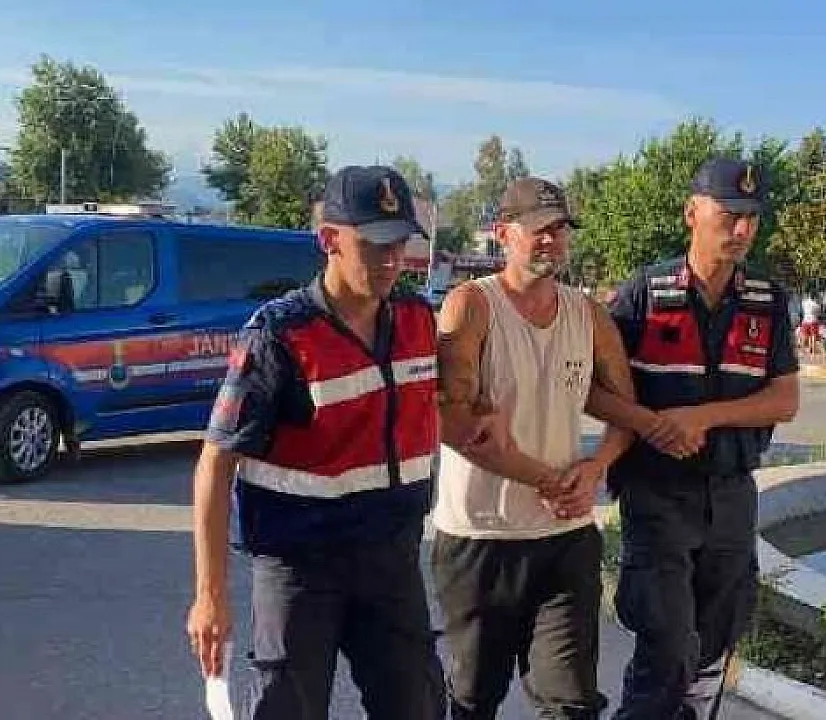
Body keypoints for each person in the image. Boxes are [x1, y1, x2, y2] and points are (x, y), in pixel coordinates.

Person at [186, 165, 447, 719]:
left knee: (418, 705)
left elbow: (441, 409)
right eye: (374, 245)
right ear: (329, 240)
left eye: (399, 244)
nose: (392, 260)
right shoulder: (278, 334)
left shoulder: (417, 319)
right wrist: (210, 595)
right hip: (299, 567)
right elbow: (215, 462)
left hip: (390, 558)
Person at [431, 177, 647, 719]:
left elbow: (625, 413)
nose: (551, 239)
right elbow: (452, 421)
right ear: (503, 233)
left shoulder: (588, 314)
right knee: (473, 699)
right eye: (537, 229)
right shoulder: (470, 306)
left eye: (559, 228)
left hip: (564, 540)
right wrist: (547, 480)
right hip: (480, 537)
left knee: (570, 703)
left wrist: (595, 468)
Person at [602, 157, 801, 719]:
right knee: (665, 640)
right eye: (729, 214)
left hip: (731, 493)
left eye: (751, 217)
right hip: (657, 491)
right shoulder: (645, 293)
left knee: (716, 640)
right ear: (692, 212)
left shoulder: (767, 300)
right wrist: (653, 425)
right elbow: (592, 390)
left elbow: (784, 400)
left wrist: (703, 417)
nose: (742, 228)